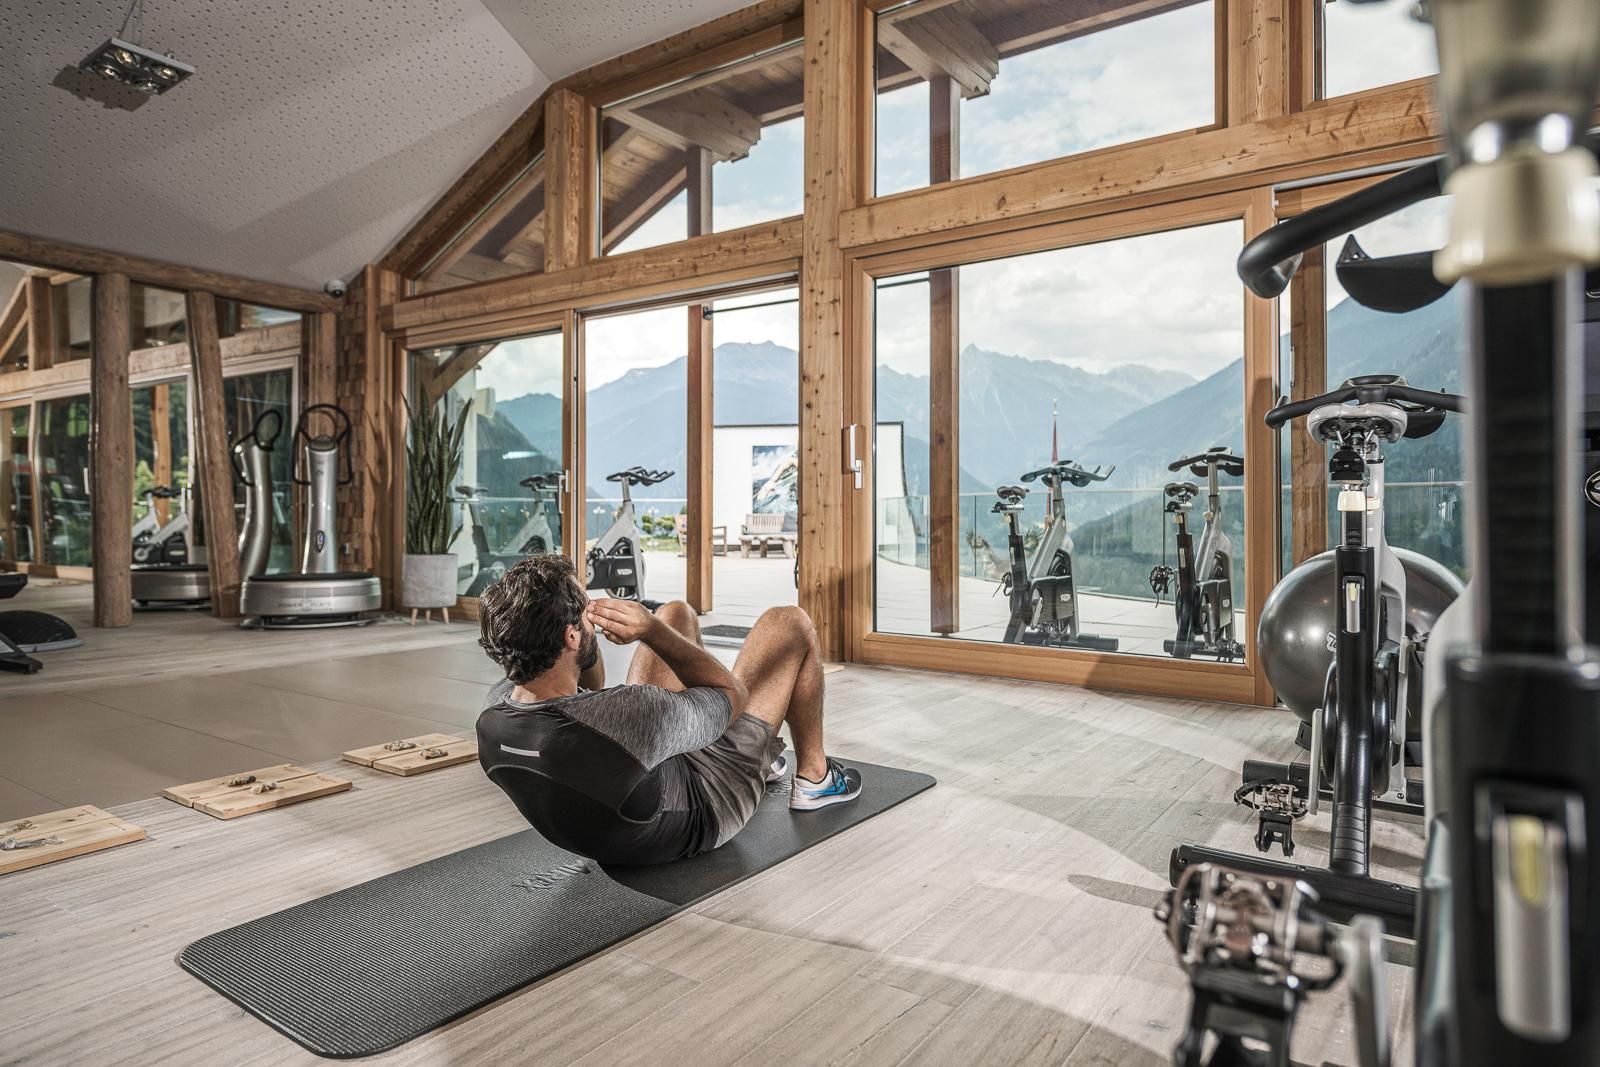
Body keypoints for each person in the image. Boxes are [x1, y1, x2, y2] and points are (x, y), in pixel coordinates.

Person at [475, 554, 862, 866]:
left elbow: (586, 693)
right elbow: (732, 695)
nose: (591, 609)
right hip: (705, 807)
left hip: (626, 804)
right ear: (572, 636)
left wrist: (587, 635)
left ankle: (760, 757)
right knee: (789, 622)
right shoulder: (633, 714)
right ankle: (815, 778)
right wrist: (649, 630)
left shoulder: (493, 716)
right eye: (585, 608)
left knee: (675, 613)